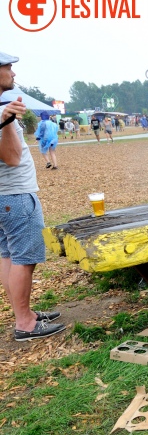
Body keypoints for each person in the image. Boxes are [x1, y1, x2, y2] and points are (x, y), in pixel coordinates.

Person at [0, 51, 65, 341]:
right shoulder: (2, 113)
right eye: (8, 68)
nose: (13, 74)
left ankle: (22, 313)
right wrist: (5, 123)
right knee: (24, 258)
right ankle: (25, 322)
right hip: (14, 196)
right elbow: (12, 157)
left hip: (4, 198)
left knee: (8, 256)